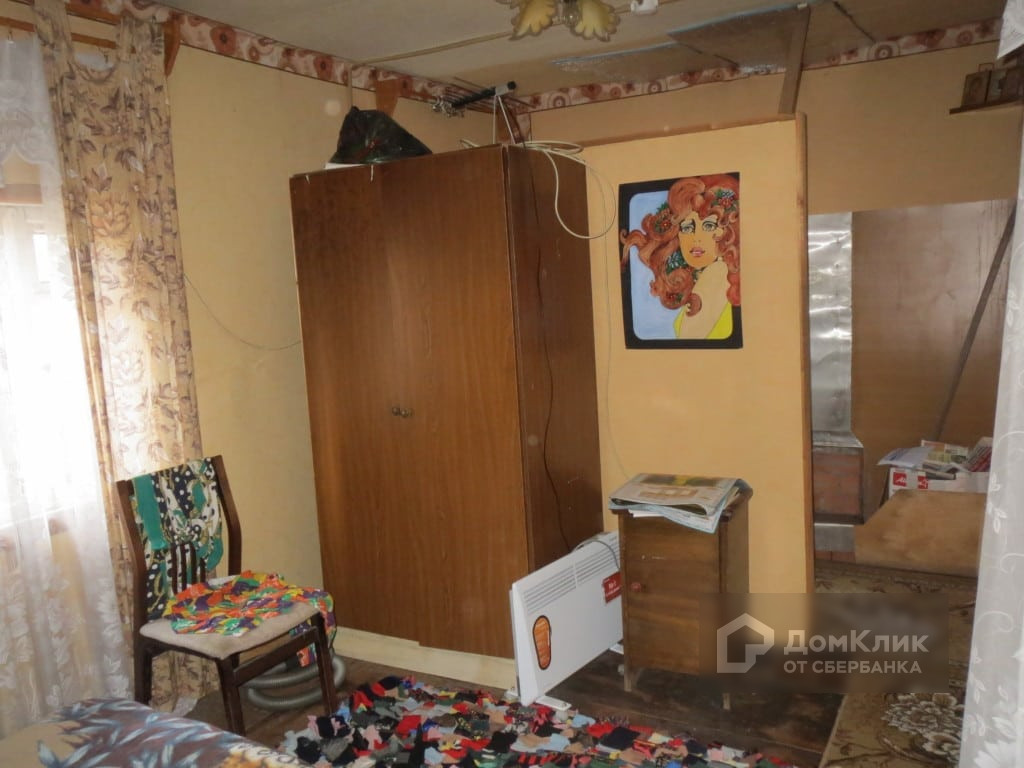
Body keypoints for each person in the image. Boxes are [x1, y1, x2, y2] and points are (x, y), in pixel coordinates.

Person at [620, 173, 740, 340]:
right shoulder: (704, 275)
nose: (696, 238)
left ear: (726, 233)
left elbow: (689, 339)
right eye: (688, 228)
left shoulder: (718, 271)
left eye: (708, 226)